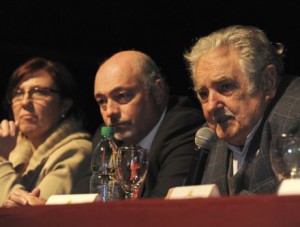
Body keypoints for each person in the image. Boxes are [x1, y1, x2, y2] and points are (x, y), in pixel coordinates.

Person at [184, 25, 300, 195]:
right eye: (203, 94)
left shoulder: (295, 115)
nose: (211, 105)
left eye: (225, 87)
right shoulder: (209, 142)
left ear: (267, 82)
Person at [93, 50, 205, 198]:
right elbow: (82, 202)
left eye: (122, 96)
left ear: (157, 91)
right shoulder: (106, 138)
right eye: (102, 101)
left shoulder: (183, 126)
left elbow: (160, 211)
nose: (110, 112)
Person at [0, 57, 92, 207]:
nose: (24, 102)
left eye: (39, 92)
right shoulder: (13, 148)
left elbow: (32, 215)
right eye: (17, 93)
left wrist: (1, 160)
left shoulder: (77, 151)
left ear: (64, 105)